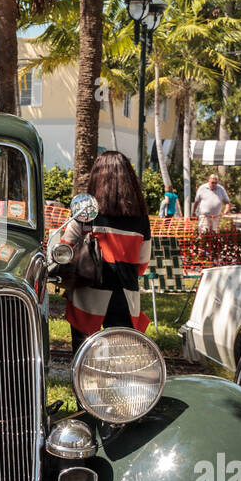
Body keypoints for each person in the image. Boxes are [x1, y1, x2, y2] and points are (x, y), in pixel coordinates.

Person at [61, 150, 151, 353]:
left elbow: (66, 247)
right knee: (119, 361)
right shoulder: (141, 219)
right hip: (125, 299)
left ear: (97, 177)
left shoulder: (85, 213)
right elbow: (142, 264)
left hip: (88, 295)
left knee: (84, 357)